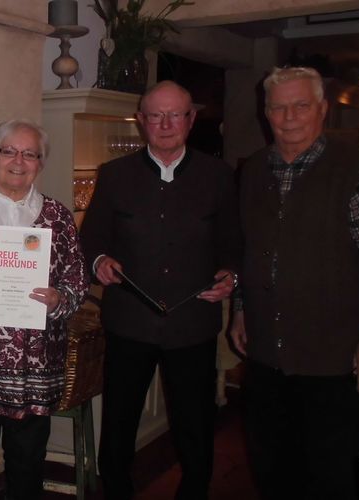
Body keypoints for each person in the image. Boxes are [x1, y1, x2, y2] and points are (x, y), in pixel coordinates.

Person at [230, 66, 359, 500]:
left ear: (322, 110)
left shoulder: (354, 169)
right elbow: (245, 250)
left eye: (301, 106)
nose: (289, 117)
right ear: (265, 113)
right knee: (272, 467)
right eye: (278, 107)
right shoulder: (252, 170)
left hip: (334, 357)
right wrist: (240, 308)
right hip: (267, 354)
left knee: (330, 474)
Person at [79, 80, 242, 500]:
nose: (166, 123)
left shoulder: (218, 175)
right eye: (156, 115)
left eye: (176, 114)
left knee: (195, 425)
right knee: (119, 423)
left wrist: (230, 276)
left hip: (193, 324)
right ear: (141, 121)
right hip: (130, 323)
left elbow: (234, 245)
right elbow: (92, 239)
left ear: (190, 120)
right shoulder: (114, 174)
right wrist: (100, 261)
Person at [0, 118, 88, 500]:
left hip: (35, 368)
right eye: (9, 151)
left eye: (30, 154)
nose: (18, 161)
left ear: (41, 163)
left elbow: (77, 281)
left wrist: (60, 299)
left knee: (27, 464)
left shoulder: (57, 216)